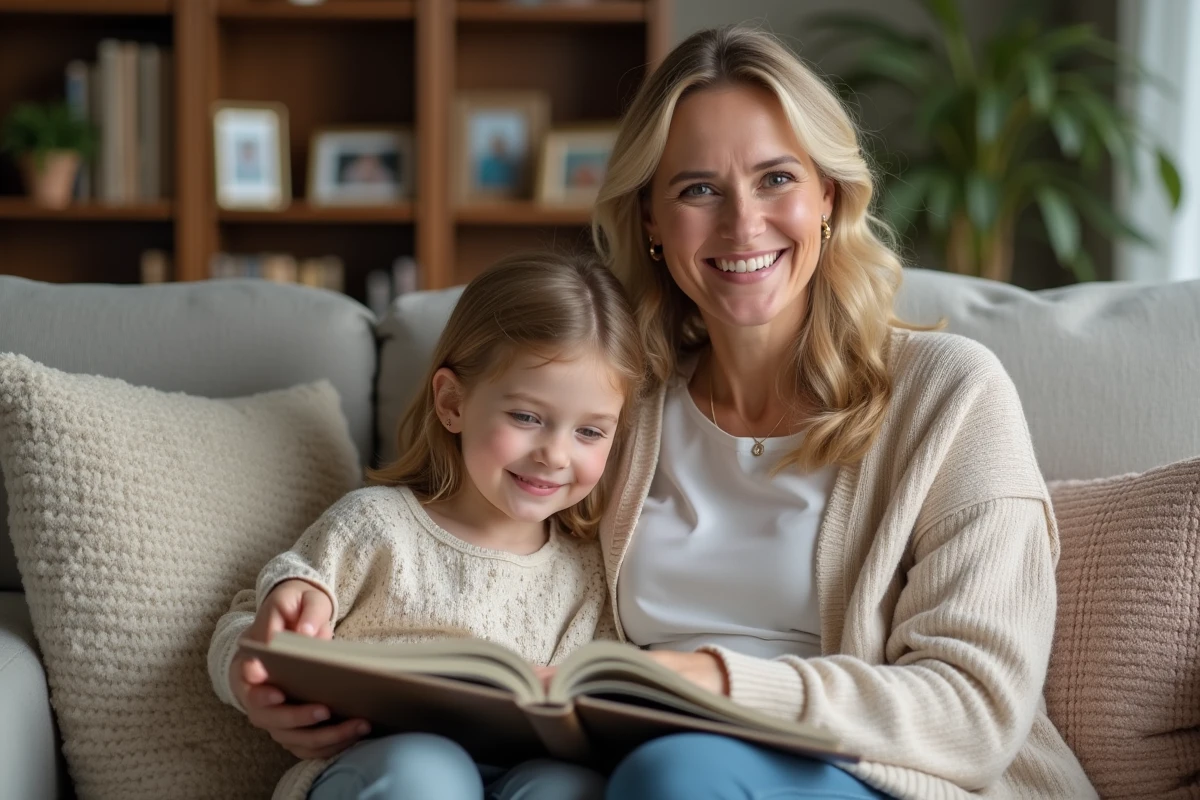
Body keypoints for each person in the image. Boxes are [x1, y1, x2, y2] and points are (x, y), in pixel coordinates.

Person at [583, 25, 1096, 799]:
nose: (742, 224)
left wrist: (719, 683)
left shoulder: (952, 395)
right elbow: (496, 566)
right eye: (697, 189)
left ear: (829, 195)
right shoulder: (613, 406)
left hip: (885, 778)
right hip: (635, 761)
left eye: (776, 179)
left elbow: (975, 711)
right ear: (651, 220)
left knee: (673, 775)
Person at [207, 251, 644, 800]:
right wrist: (252, 670)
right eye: (527, 417)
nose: (555, 455)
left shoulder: (587, 568)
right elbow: (246, 624)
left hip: (525, 773)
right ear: (452, 402)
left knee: (569, 788)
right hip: (384, 770)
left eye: (590, 432)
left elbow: (604, 704)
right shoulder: (374, 525)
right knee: (427, 771)